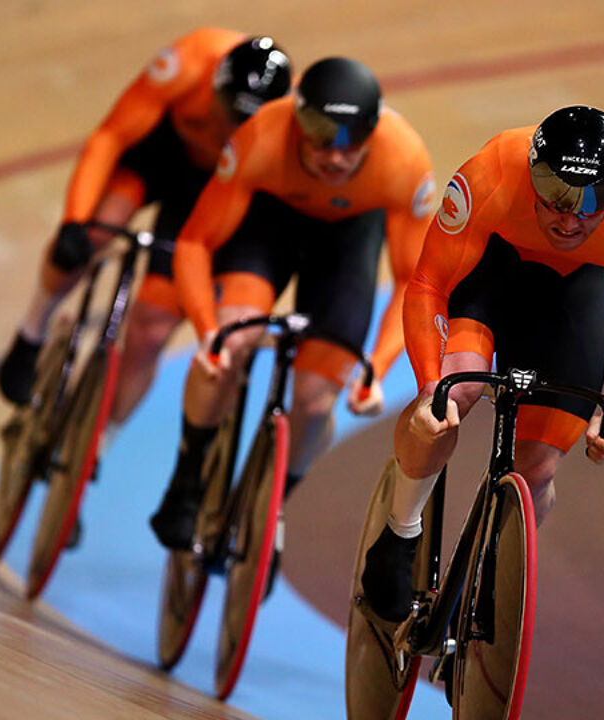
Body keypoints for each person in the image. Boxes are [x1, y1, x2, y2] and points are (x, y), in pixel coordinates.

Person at [359, 105, 604, 621]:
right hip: (493, 272)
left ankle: (492, 573)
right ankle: (401, 531)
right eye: (554, 196)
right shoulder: (490, 170)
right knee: (453, 397)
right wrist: (429, 387)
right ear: (531, 174)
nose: (570, 218)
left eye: (592, 201)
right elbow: (428, 285)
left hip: (571, 295)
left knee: (537, 467)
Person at [149, 57, 438, 553]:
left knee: (315, 399)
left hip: (348, 242)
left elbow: (414, 280)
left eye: (351, 143)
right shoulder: (262, 136)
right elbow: (195, 241)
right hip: (269, 224)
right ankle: (188, 475)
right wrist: (206, 332)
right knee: (232, 340)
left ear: (373, 132)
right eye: (320, 136)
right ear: (298, 121)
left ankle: (274, 502)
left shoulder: (405, 159)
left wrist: (379, 368)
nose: (335, 157)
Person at [0, 28, 292, 444]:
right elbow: (110, 137)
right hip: (158, 155)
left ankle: (95, 446)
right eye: (226, 111)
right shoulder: (185, 64)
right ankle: (31, 333)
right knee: (95, 233)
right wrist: (74, 221)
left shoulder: (282, 127)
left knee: (150, 331)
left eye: (243, 122)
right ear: (215, 85)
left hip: (208, 192)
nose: (228, 127)